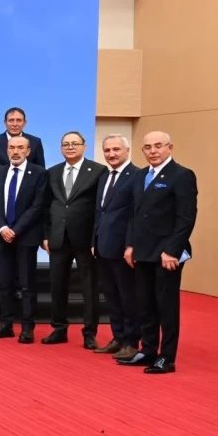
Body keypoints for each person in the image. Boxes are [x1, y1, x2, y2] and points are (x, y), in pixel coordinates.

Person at [118, 131, 197, 374]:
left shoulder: (181, 175)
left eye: (158, 146)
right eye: (148, 147)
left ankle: (167, 357)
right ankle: (148, 350)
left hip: (166, 255)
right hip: (142, 252)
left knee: (166, 307)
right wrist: (130, 245)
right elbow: (133, 215)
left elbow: (186, 217)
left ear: (169, 147)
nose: (153, 151)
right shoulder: (140, 175)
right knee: (145, 304)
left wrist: (172, 250)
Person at [41, 132, 104, 348]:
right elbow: (46, 207)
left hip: (85, 239)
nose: (70, 147)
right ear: (60, 148)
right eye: (66, 144)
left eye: (74, 144)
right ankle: (59, 329)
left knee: (89, 287)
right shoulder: (52, 172)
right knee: (57, 285)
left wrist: (96, 238)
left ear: (84, 147)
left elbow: (100, 208)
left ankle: (89, 332)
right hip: (58, 238)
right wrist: (46, 235)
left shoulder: (98, 171)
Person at [0, 135, 48, 343]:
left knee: (27, 284)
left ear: (28, 151)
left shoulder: (38, 173)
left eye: (20, 147)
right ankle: (6, 324)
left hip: (26, 237)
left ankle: (27, 327)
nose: (15, 151)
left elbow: (38, 205)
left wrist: (16, 229)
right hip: (1, 235)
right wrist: (3, 227)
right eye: (11, 147)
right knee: (4, 283)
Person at [91, 134, 139, 357]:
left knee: (128, 297)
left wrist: (131, 244)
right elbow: (99, 212)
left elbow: (135, 215)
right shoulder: (104, 176)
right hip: (103, 246)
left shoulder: (137, 176)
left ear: (127, 151)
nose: (111, 154)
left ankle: (131, 342)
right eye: (107, 150)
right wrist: (94, 241)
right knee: (111, 296)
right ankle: (118, 337)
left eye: (116, 149)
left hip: (123, 249)